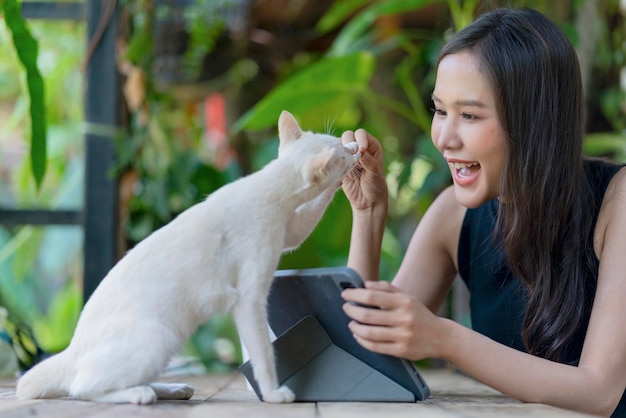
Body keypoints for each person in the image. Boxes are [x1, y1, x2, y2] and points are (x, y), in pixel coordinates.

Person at [339, 7, 626, 418]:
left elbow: (600, 391)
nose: (444, 137)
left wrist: (444, 339)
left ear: (532, 121)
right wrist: (368, 215)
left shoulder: (618, 202)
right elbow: (362, 365)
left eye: (470, 115)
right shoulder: (451, 217)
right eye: (440, 110)